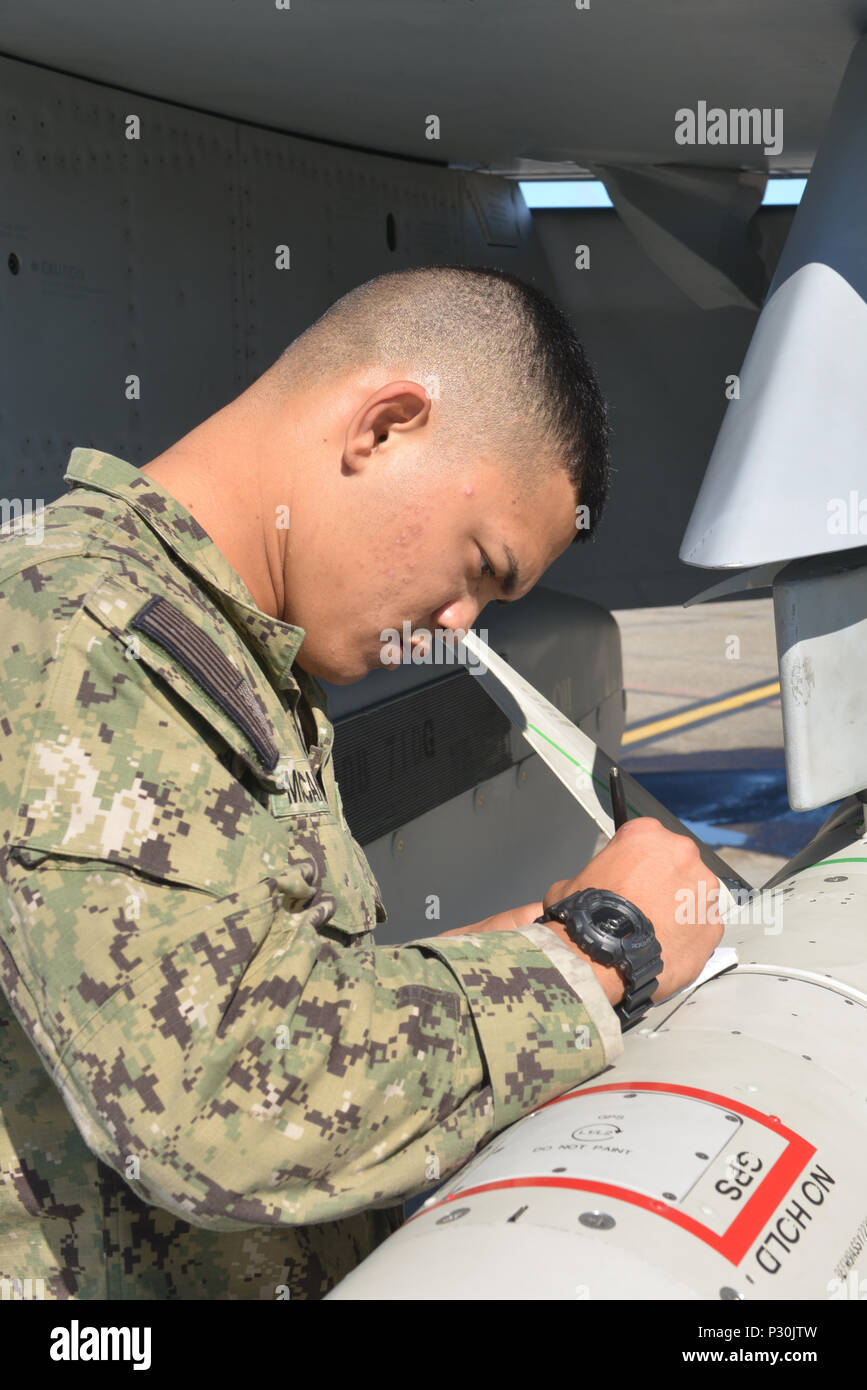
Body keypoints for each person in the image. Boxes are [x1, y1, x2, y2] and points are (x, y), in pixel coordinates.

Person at [0, 265, 722, 1301]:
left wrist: (501, 958)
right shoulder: (78, 631)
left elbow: (234, 984)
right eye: (481, 563)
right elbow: (213, 1106)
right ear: (384, 425)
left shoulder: (216, 648)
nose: (463, 622)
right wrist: (594, 954)